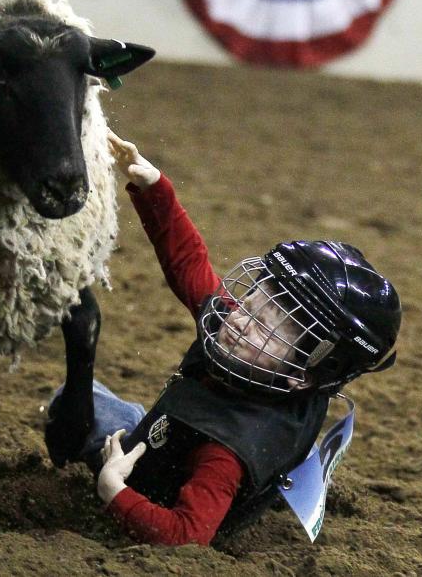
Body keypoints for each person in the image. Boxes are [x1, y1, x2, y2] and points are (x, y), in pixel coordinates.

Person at [48, 130, 402, 546]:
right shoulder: (264, 355)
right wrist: (155, 189)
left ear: (307, 372)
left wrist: (114, 490)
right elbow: (189, 264)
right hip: (190, 446)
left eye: (269, 328)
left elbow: (187, 536)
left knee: (74, 404)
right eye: (252, 303)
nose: (242, 321)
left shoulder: (227, 453)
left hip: (158, 490)